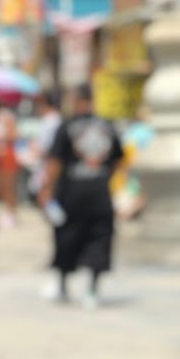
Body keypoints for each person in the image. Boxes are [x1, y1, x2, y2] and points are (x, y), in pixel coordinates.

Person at [39, 83, 124, 307]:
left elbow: (55, 161)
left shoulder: (67, 126)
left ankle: (63, 284)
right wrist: (103, 177)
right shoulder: (107, 126)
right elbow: (118, 159)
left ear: (77, 100)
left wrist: (46, 189)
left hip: (71, 193)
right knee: (100, 238)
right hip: (99, 193)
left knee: (67, 238)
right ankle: (92, 291)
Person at [25, 87, 63, 206]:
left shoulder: (51, 121)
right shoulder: (55, 119)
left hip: (48, 166)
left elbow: (49, 149)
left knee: (47, 199)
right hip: (47, 165)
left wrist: (34, 149)